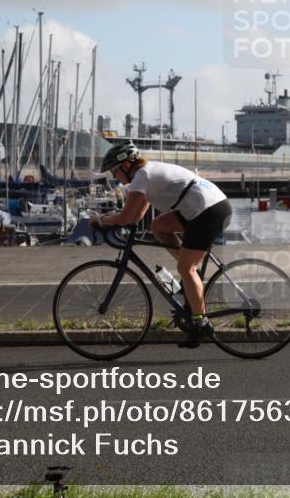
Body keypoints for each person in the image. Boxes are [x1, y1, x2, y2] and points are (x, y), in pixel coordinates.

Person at [90, 141, 232, 348]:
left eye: (114, 171)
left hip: (208, 212)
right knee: (159, 226)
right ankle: (190, 283)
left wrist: (102, 221)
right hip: (205, 208)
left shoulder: (142, 176)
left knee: (185, 267)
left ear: (126, 165)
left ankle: (201, 322)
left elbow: (128, 216)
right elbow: (136, 215)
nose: (114, 177)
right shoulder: (146, 174)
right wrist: (112, 218)